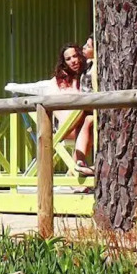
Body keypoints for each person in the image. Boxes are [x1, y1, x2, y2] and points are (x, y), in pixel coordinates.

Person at [53, 43, 95, 177]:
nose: (73, 60)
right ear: (64, 62)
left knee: (88, 122)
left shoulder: (87, 72)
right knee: (87, 120)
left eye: (75, 56)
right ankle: (78, 167)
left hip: (82, 121)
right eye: (68, 59)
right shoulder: (61, 80)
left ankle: (76, 172)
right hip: (65, 123)